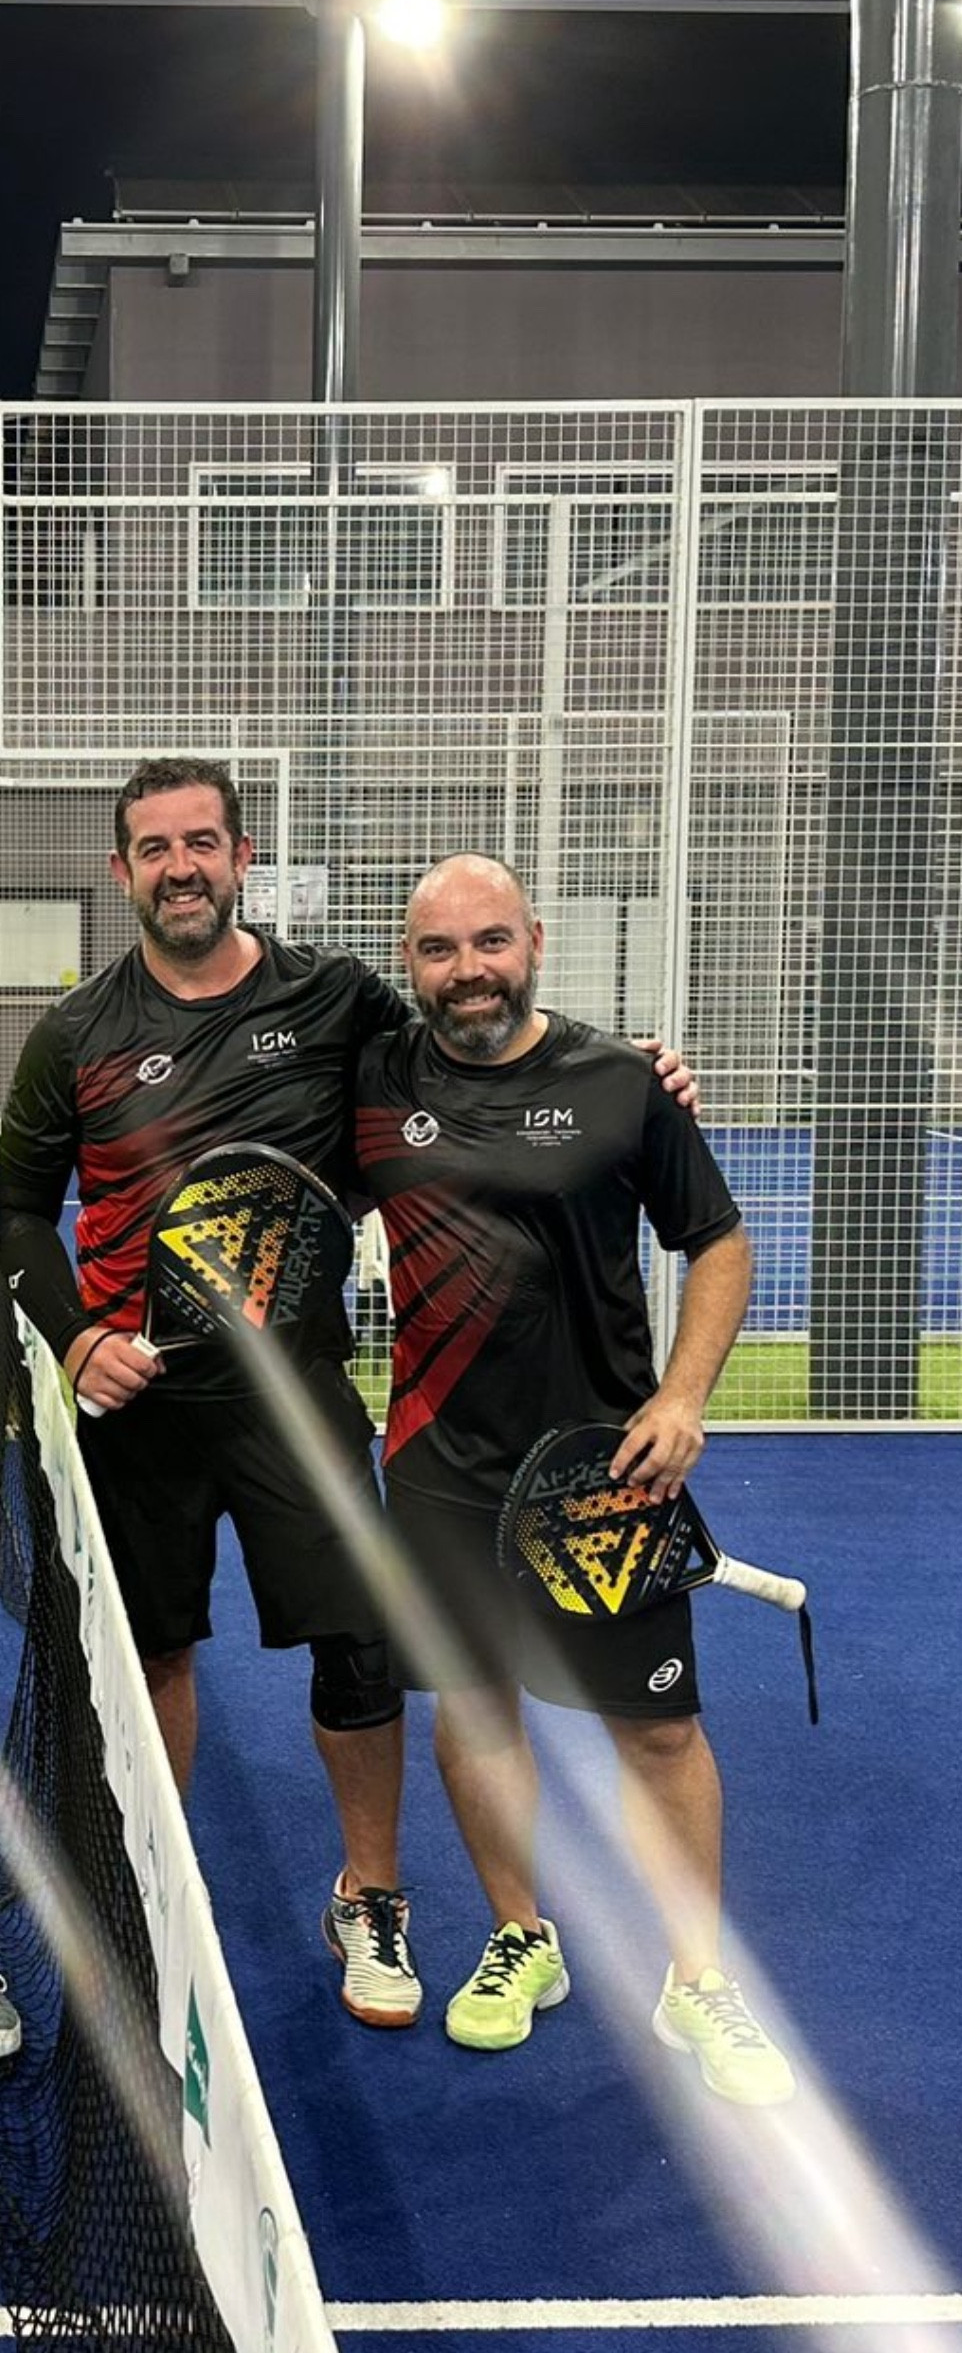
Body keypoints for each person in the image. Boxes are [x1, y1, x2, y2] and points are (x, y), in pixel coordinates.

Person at [0, 758, 695, 2037]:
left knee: (361, 1648)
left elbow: (477, 1030)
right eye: (155, 849)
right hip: (137, 1406)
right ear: (122, 873)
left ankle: (370, 1897)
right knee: (150, 1656)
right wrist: (77, 1335)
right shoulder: (77, 1034)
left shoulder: (332, 999)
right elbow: (13, 1210)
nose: (181, 868)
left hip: (299, 1399)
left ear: (241, 856)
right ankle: (147, 1893)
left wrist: (627, 1078)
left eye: (201, 842)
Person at [353, 852, 795, 2106]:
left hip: (606, 1475)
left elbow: (718, 1243)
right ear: (410, 963)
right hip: (439, 1472)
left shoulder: (620, 1081)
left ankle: (696, 1978)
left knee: (658, 1729)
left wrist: (684, 1396)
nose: (468, 971)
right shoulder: (372, 1081)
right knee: (477, 1710)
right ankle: (521, 1936)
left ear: (535, 942)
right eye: (439, 950)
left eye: (490, 941)